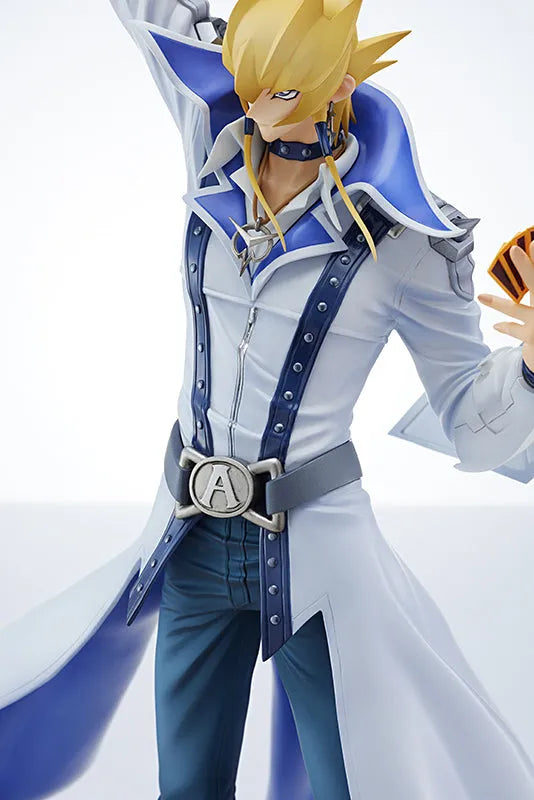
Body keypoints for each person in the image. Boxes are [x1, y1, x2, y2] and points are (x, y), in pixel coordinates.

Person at [1, 1, 534, 799]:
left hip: (312, 555)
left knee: (351, 779)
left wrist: (527, 369)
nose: (254, 106)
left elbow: (470, 417)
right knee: (186, 785)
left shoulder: (409, 241)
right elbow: (154, 16)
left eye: (281, 91)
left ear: (338, 86)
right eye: (249, 84)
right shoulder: (212, 146)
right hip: (189, 537)